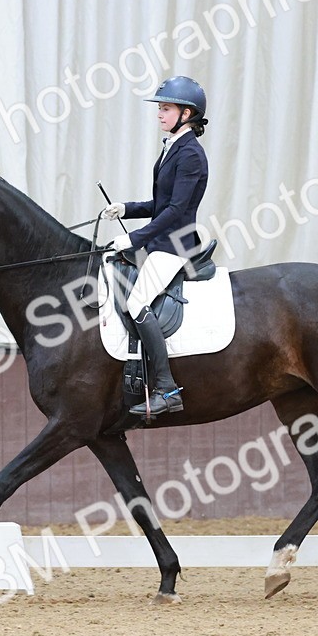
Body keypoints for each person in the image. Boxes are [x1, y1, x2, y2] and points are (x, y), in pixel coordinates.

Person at [102, 76, 209, 417]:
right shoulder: (173, 147)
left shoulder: (190, 153)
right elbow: (161, 203)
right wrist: (126, 209)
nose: (160, 114)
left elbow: (177, 210)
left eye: (166, 108)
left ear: (187, 113)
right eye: (160, 108)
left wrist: (134, 237)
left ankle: (165, 388)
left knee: (136, 303)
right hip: (162, 240)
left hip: (174, 245)